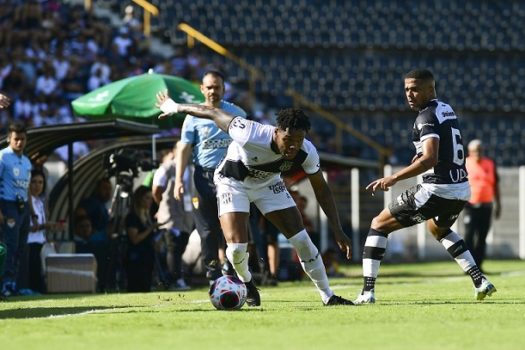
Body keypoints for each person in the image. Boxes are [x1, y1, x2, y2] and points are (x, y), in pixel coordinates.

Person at [157, 92, 354, 306]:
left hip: (268, 184)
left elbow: (322, 190)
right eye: (288, 140)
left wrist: (337, 228)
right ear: (277, 132)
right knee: (237, 248)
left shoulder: (307, 152)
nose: (292, 146)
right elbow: (212, 112)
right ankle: (248, 283)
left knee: (302, 240)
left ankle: (328, 295)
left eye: (298, 141)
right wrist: (175, 106)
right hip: (232, 182)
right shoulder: (249, 132)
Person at [354, 69, 496, 304]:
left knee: (378, 225)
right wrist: (421, 156)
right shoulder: (445, 109)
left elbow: (430, 158)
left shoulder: (425, 117)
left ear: (430, 89)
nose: (409, 94)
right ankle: (480, 280)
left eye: (415, 89)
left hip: (437, 189)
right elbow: (440, 152)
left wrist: (394, 178)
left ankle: (367, 292)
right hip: (460, 188)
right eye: (406, 89)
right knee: (437, 229)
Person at [173, 69, 247, 283]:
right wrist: (178, 179)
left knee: (231, 226)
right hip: (202, 177)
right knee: (206, 229)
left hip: (230, 177)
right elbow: (184, 148)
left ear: (223, 89)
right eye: (209, 87)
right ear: (202, 89)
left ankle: (232, 269)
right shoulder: (193, 116)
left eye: (217, 87)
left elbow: (247, 145)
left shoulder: (237, 114)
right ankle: (212, 272)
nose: (213, 91)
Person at [152, 146, 194, 290]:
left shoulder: (192, 168)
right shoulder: (167, 167)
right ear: (176, 151)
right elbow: (156, 189)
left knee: (181, 246)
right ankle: (175, 280)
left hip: (187, 216)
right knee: (173, 247)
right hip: (171, 215)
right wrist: (162, 205)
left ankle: (173, 279)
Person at [0, 122, 32, 297]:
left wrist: (32, 212)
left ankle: (16, 283)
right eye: (16, 139)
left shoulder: (26, 161)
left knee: (21, 246)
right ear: (9, 139)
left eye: (22, 139)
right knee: (10, 246)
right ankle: (5, 284)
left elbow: (26, 188)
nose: (19, 142)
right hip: (8, 204)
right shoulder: (2, 157)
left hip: (23, 207)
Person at [464, 139, 501, 271]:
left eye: (480, 150)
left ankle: (478, 265)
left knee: (482, 237)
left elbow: (495, 185)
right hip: (470, 206)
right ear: (469, 152)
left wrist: (499, 205)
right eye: (475, 150)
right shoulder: (465, 163)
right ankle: (469, 266)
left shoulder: (490, 164)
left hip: (486, 206)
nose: (478, 152)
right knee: (469, 236)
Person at [75, 177, 112, 292]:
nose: (107, 192)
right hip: (93, 242)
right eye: (104, 188)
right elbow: (79, 213)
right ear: (97, 189)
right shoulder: (92, 202)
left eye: (109, 189)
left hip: (101, 240)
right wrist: (90, 228)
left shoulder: (102, 204)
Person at [125, 185, 161, 292]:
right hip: (136, 258)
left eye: (151, 198)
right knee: (137, 286)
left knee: (146, 286)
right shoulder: (132, 217)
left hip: (147, 256)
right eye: (147, 198)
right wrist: (151, 228)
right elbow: (135, 239)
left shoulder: (147, 216)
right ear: (139, 199)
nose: (150, 201)